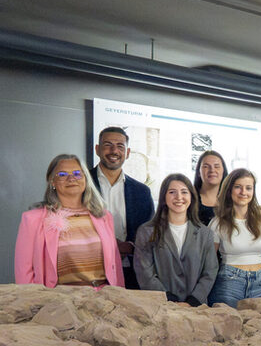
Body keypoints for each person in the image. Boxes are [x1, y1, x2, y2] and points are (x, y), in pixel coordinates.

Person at [15, 153, 124, 288]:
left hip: (103, 297)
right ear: (52, 181)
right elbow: (23, 271)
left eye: (78, 173)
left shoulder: (103, 216)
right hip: (59, 301)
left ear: (85, 179)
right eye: (62, 175)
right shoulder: (32, 219)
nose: (71, 178)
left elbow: (115, 265)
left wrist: (119, 294)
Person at [134, 173, 218, 306]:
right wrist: (168, 299)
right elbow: (145, 274)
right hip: (160, 305)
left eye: (184, 192)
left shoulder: (205, 233)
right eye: (172, 192)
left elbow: (210, 271)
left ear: (191, 196)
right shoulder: (146, 232)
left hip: (196, 307)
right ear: (164, 197)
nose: (179, 197)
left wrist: (192, 301)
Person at [90, 126, 154, 289]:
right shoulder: (82, 185)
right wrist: (108, 245)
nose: (114, 151)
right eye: (108, 145)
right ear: (97, 149)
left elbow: (150, 234)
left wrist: (131, 246)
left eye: (120, 146)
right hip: (89, 271)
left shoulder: (142, 192)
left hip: (131, 273)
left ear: (127, 152)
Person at [207, 168, 261, 307]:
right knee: (228, 326)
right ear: (229, 190)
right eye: (238, 187)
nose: (243, 192)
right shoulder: (217, 223)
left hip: (259, 282)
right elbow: (210, 263)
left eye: (248, 188)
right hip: (229, 283)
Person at [193, 150, 228, 226]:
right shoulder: (189, 199)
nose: (212, 170)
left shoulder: (231, 200)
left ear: (223, 171)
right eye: (206, 166)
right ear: (199, 172)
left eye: (217, 166)